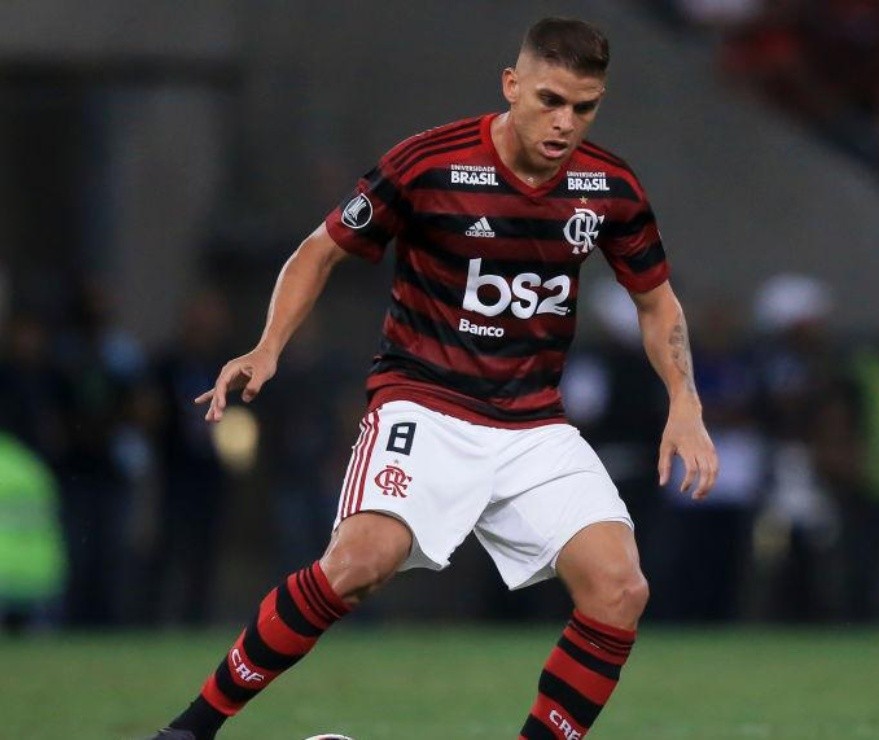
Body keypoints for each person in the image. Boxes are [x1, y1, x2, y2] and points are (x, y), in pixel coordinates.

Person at [152, 17, 718, 740]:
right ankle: (191, 729)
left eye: (584, 107)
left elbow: (656, 300)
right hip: (425, 404)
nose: (565, 123)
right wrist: (268, 347)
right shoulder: (429, 163)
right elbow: (320, 250)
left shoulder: (609, 186)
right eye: (550, 100)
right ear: (511, 85)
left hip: (533, 422)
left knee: (620, 588)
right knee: (359, 564)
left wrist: (685, 402)